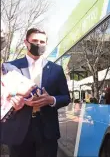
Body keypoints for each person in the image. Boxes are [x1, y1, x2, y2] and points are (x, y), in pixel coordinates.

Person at [0, 28, 71, 157]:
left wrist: (51, 100)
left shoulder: (56, 70)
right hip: (19, 131)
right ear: (26, 42)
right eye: (35, 41)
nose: (38, 44)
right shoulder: (9, 67)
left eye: (42, 42)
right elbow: (4, 97)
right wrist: (13, 103)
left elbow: (66, 97)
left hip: (47, 131)